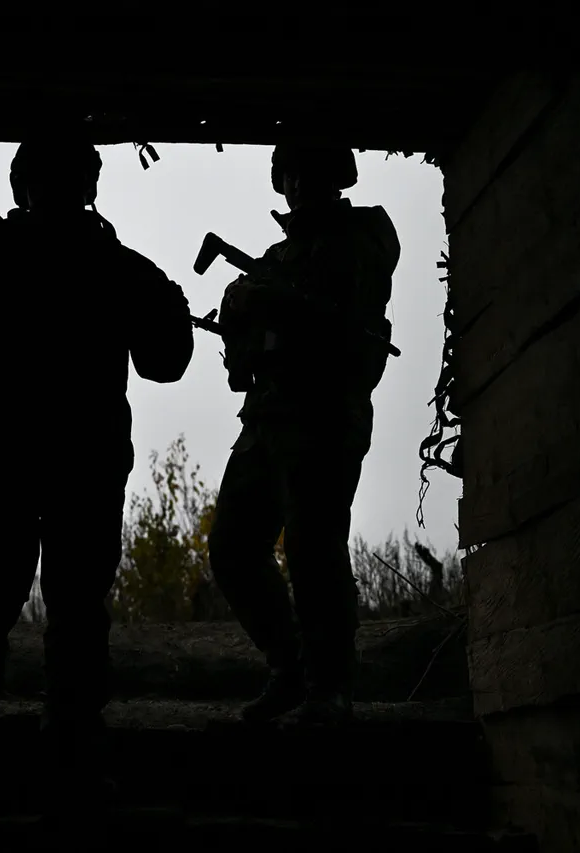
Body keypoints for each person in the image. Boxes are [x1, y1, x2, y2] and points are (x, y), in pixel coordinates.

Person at [0, 136, 194, 803]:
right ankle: (71, 762)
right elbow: (166, 362)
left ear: (19, 186)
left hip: (3, 463)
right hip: (82, 468)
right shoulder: (121, 268)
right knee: (75, 611)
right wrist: (169, 304)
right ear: (90, 188)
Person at [207, 144, 401, 726]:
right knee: (233, 547)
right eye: (289, 174)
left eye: (309, 173)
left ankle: (329, 686)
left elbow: (346, 313)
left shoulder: (359, 240)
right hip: (266, 418)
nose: (296, 184)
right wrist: (239, 325)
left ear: (335, 177)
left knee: (314, 548)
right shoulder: (277, 256)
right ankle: (290, 669)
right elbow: (244, 341)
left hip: (325, 415)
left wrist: (271, 300)